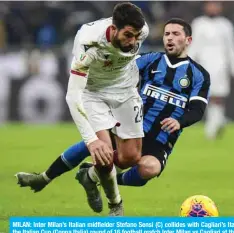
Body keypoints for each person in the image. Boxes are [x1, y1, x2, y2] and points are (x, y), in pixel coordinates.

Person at [16, 18, 210, 215]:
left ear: (188, 40)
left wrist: (179, 121)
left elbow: (197, 110)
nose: (169, 38)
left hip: (161, 138)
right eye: (167, 34)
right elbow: (118, 70)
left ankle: (92, 176)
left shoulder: (199, 75)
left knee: (149, 168)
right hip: (132, 124)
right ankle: (45, 177)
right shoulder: (150, 60)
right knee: (95, 145)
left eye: (176, 34)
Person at [16, 2, 149, 216]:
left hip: (126, 92)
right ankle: (116, 205)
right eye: (127, 35)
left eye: (135, 36)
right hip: (93, 93)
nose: (133, 41)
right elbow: (73, 95)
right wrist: (92, 140)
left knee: (131, 158)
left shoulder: (142, 31)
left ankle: (89, 177)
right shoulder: (89, 43)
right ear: (114, 29)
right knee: (103, 154)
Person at [189, 1, 234, 140]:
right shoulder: (198, 23)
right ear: (205, 6)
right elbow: (193, 46)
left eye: (216, 5)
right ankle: (215, 122)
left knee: (219, 96)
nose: (213, 8)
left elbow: (231, 47)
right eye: (211, 5)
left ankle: (215, 125)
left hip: (221, 65)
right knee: (206, 95)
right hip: (203, 64)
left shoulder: (226, 25)